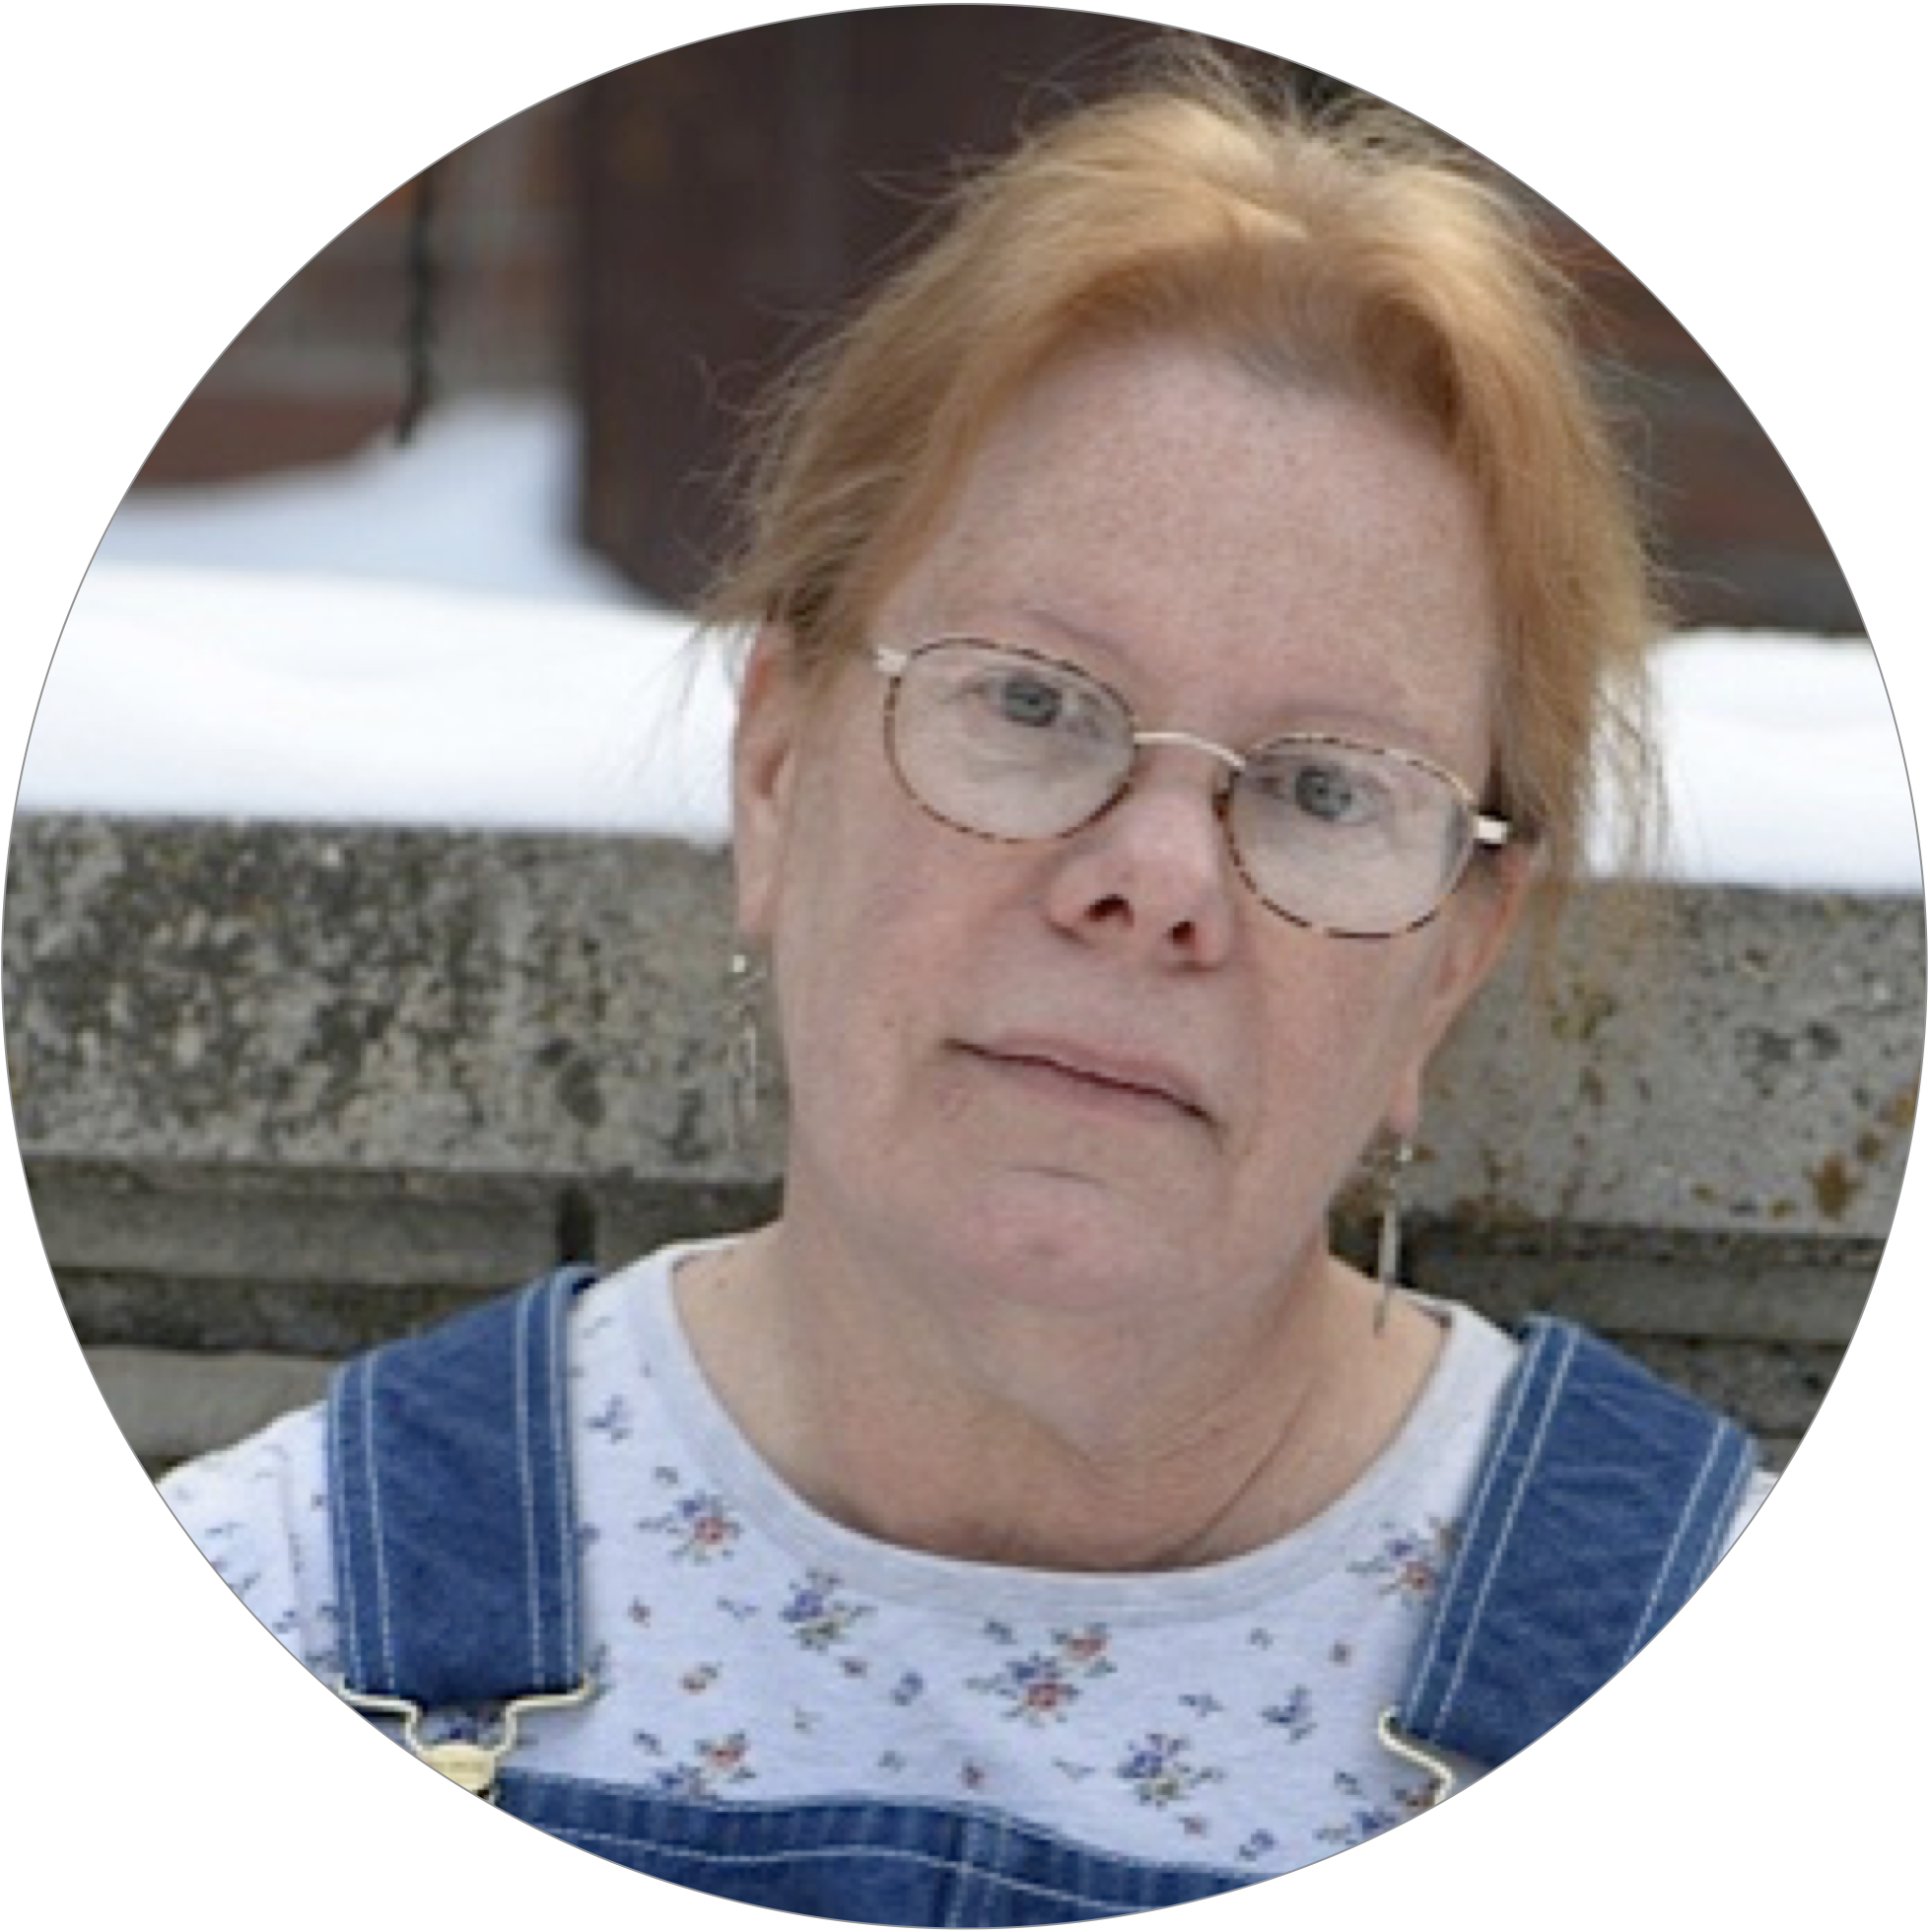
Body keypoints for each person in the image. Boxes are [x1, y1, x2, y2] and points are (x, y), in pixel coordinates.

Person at [160, 37, 1775, 1923]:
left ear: (1449, 961)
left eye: (1328, 787)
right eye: (1031, 700)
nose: (1156, 882)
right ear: (777, 772)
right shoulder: (292, 1593)